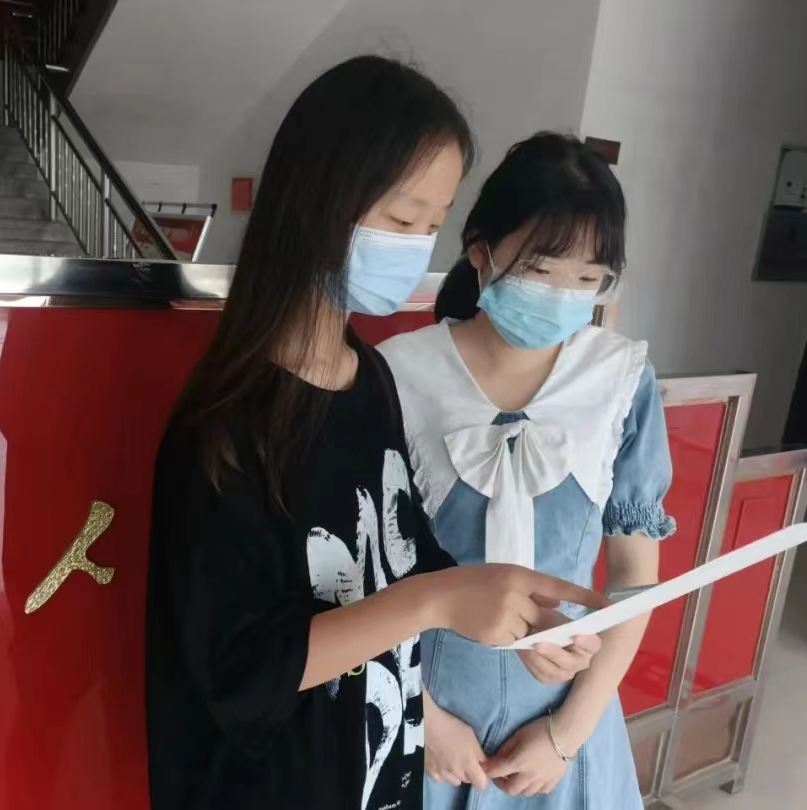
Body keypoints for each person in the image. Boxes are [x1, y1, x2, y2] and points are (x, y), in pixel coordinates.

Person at [145, 60, 608, 810]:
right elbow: (240, 673)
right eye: (401, 220)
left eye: (433, 224)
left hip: (377, 777)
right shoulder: (225, 427)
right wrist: (437, 601)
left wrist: (518, 618)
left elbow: (403, 554)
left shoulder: (369, 380)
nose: (418, 246)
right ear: (318, 201)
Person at [380, 132, 676, 808]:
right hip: (427, 731)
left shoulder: (621, 380)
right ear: (480, 250)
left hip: (563, 736)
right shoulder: (398, 374)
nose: (564, 295)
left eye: (589, 280)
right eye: (542, 269)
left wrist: (567, 734)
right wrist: (423, 715)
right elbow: (365, 572)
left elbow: (635, 576)